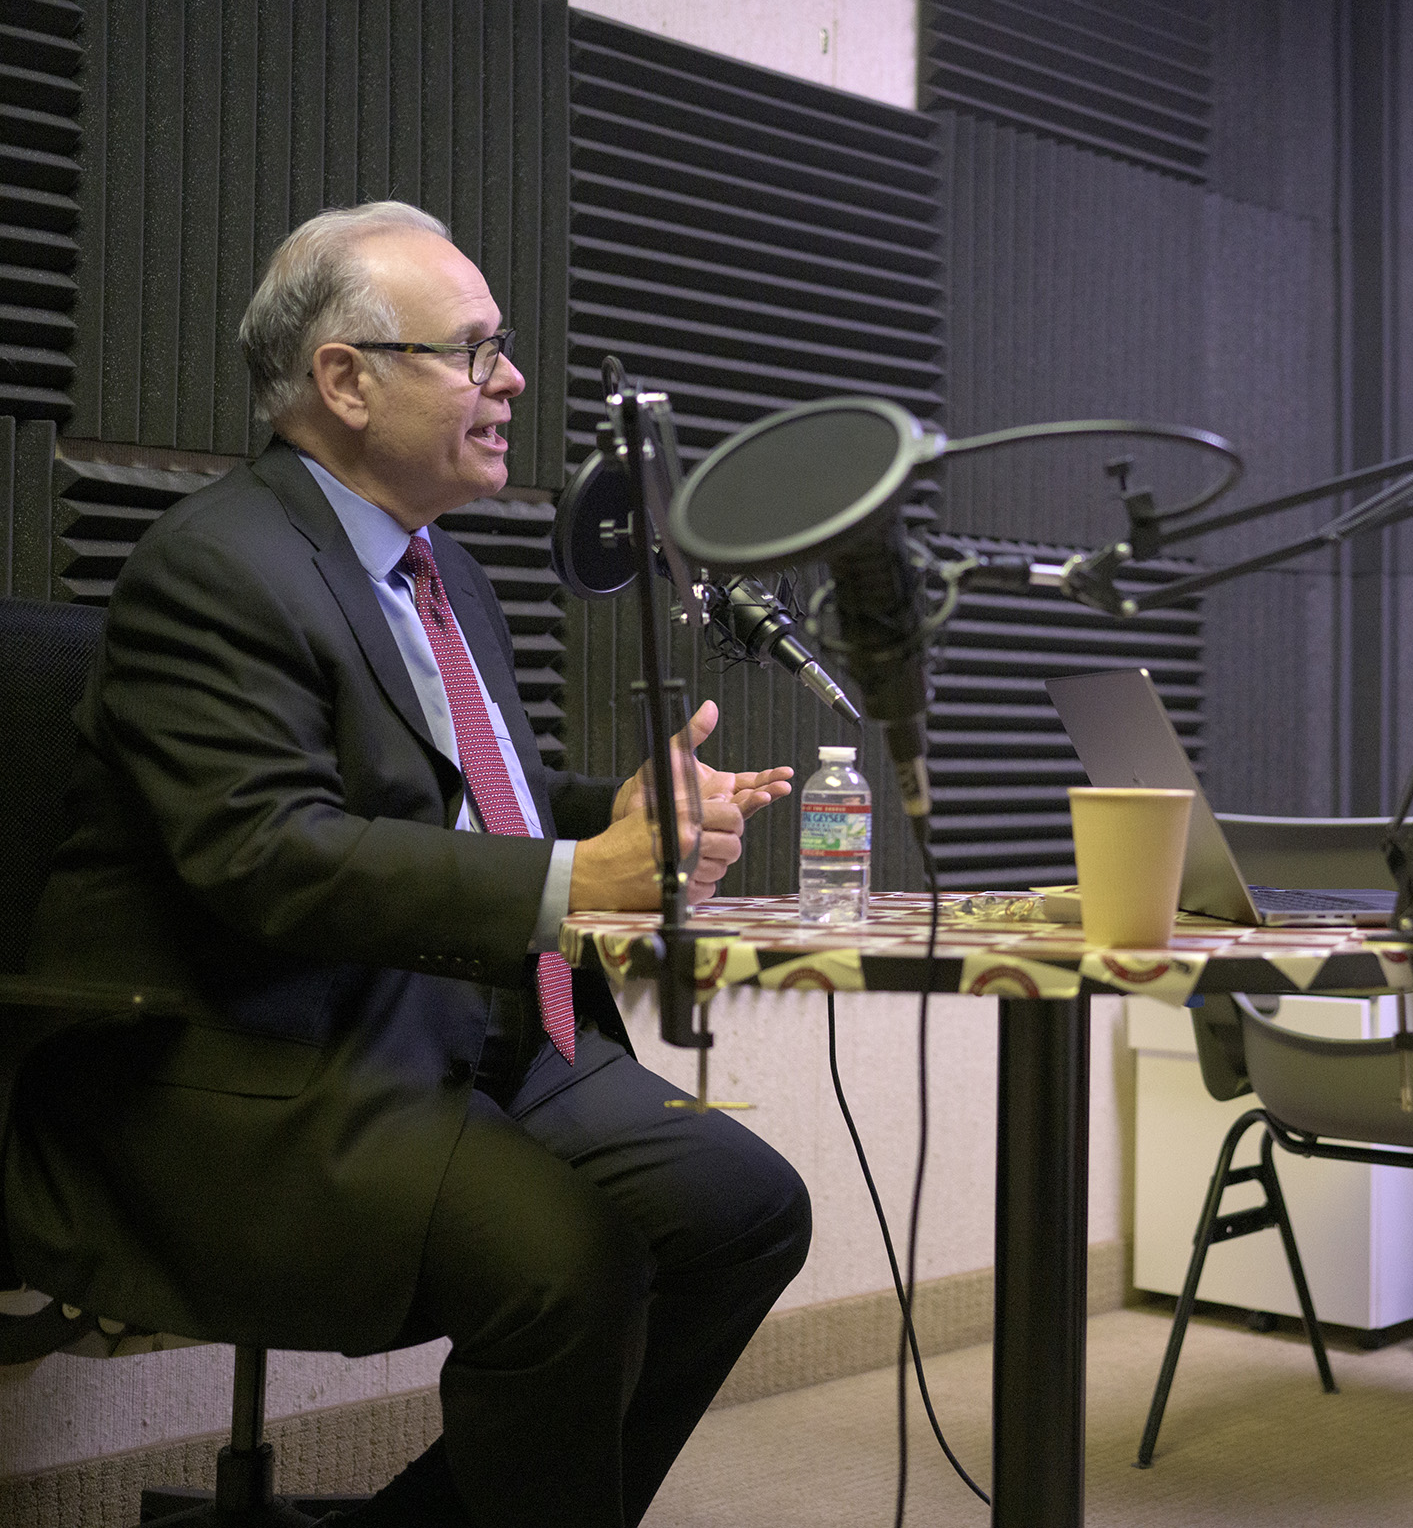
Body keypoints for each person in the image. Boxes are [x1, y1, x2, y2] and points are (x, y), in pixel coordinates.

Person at [0, 202, 811, 1528]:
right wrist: (570, 886)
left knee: (746, 1208)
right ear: (345, 380)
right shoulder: (212, 571)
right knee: (569, 1265)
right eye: (475, 349)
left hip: (462, 1038)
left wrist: (619, 814)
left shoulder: (447, 578)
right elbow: (270, 856)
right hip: (241, 1066)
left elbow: (469, 804)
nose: (514, 380)